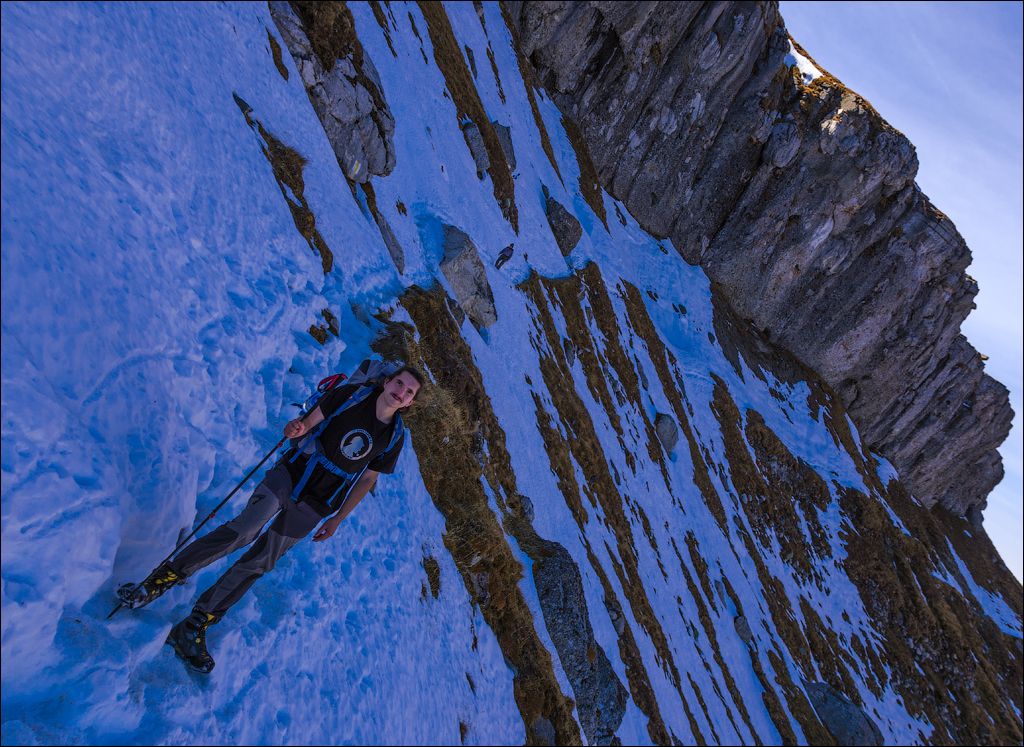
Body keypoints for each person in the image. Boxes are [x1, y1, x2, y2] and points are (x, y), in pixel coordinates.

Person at [133, 363, 424, 672]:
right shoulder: (351, 395)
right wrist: (296, 428)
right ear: (387, 382)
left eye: (408, 392)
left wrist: (338, 518)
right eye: (399, 383)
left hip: (319, 503)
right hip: (292, 473)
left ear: (410, 403)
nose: (400, 392)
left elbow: (367, 480)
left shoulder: (394, 437)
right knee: (243, 530)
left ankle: (194, 625)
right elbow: (309, 422)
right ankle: (164, 577)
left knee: (260, 561)